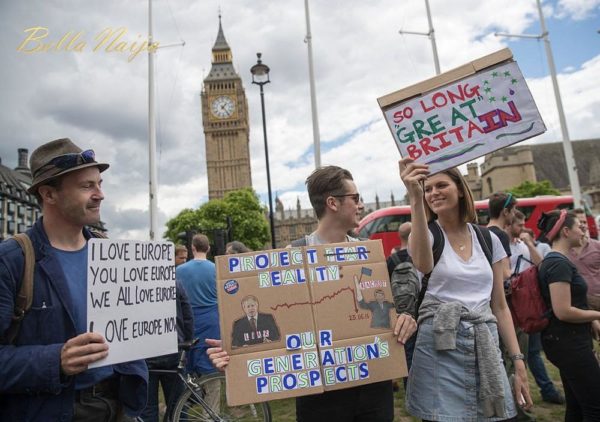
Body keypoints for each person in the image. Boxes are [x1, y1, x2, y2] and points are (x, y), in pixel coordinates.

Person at [207, 165, 417, 422]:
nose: (360, 205)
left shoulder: (368, 255)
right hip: (320, 397)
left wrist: (405, 319)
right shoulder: (292, 255)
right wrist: (235, 352)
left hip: (372, 389)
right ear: (333, 203)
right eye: (355, 198)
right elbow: (277, 322)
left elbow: (386, 311)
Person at [0, 138, 148, 421]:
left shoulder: (113, 254)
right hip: (50, 411)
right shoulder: (11, 261)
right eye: (86, 186)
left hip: (116, 407)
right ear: (49, 194)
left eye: (99, 183)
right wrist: (55, 360)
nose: (100, 194)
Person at [399, 157, 531, 421]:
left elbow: (500, 306)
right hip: (440, 348)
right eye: (428, 188)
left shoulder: (488, 238)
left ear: (460, 188)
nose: (433, 193)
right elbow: (424, 265)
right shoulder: (425, 235)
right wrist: (414, 197)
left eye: (441, 185)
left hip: (485, 343)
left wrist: (518, 360)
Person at [537, 209, 600, 420]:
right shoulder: (558, 263)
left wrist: (591, 320)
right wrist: (596, 315)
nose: (583, 230)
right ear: (565, 231)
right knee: (594, 406)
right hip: (569, 343)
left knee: (577, 406)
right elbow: (562, 311)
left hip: (567, 341)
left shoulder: (557, 260)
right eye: (579, 227)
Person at [141, 257, 194, 422]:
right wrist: (188, 340)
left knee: (148, 408)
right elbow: (187, 316)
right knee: (178, 404)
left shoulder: (137, 287)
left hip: (146, 350)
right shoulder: (175, 283)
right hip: (174, 346)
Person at [175, 234, 219, 375]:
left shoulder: (179, 270)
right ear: (208, 248)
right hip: (211, 320)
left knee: (187, 362)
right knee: (210, 361)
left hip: (187, 321)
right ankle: (210, 397)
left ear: (192, 248)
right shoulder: (217, 269)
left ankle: (191, 395)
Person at [568, 208, 600, 311]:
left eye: (584, 222)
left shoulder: (597, 246)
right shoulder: (564, 250)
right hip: (578, 303)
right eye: (579, 222)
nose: (583, 225)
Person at [487, 191, 517, 281]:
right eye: (513, 211)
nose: (514, 215)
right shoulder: (501, 235)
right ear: (505, 212)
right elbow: (505, 273)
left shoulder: (481, 233)